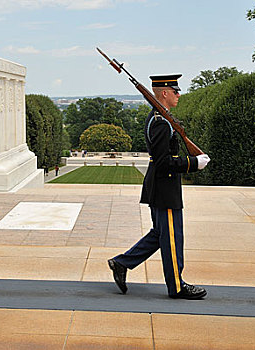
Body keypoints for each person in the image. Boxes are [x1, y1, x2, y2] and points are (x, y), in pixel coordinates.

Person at [108, 74, 211, 299]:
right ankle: (176, 286)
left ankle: (122, 263)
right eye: (175, 91)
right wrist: (193, 163)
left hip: (162, 186)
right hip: (165, 188)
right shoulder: (161, 123)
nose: (179, 94)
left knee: (160, 234)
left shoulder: (161, 120)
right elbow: (164, 162)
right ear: (164, 93)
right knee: (173, 237)